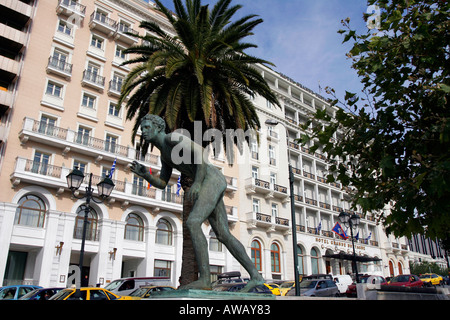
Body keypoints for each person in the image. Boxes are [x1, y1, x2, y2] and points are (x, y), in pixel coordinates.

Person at [131, 114, 264, 291]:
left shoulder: (172, 138)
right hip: (211, 181)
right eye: (142, 128)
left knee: (193, 222)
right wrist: (146, 175)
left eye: (147, 127)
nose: (144, 131)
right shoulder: (164, 155)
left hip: (210, 179)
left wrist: (198, 183)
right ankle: (256, 276)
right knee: (224, 235)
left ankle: (205, 280)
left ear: (158, 128)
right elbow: (162, 183)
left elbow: (200, 153)